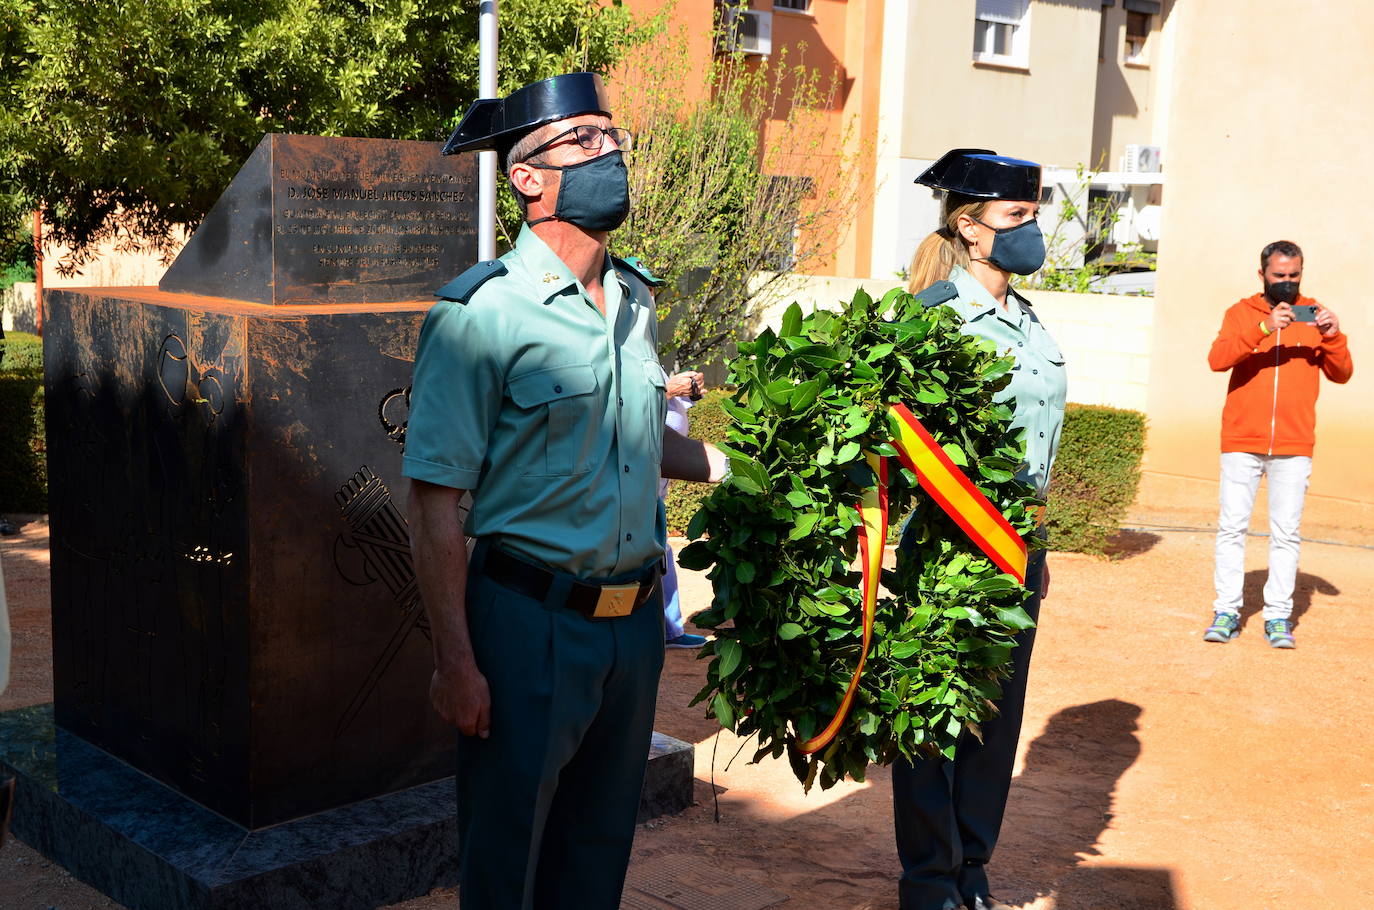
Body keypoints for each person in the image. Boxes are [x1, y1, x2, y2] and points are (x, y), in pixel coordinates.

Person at [404, 72, 727, 910]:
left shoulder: (633, 297)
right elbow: (435, 500)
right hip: (527, 628)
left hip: (631, 633)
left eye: (611, 137)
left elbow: (633, 437)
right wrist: (455, 660)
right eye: (583, 140)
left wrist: (731, 469)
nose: (609, 152)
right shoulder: (483, 313)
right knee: (507, 866)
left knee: (595, 864)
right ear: (526, 177)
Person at [893, 148, 1068, 910]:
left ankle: (973, 864)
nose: (1034, 232)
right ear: (970, 227)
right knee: (934, 709)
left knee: (996, 716)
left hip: (1020, 548)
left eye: (1035, 216)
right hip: (950, 545)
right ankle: (928, 876)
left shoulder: (1027, 320)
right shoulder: (930, 318)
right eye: (1017, 218)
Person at [1202, 240, 1352, 649]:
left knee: (1286, 533)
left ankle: (1278, 617)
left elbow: (1342, 374)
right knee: (1232, 528)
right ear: (1262, 275)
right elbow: (1218, 359)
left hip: (1294, 442)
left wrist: (1334, 337)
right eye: (1279, 276)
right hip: (1241, 439)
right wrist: (1265, 327)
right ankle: (1227, 610)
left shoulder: (1315, 314)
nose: (1287, 284)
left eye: (1294, 276)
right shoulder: (1241, 313)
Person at [660, 368, 708, 649]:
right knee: (655, 547)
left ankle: (669, 629)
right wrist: (668, 390)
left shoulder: (644, 350)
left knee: (659, 546)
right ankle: (668, 629)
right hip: (639, 462)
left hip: (659, 467)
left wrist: (690, 393)